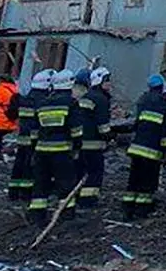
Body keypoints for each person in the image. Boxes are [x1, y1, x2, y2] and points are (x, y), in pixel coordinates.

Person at [121, 75, 166, 220]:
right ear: (162, 87)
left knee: (133, 179)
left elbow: (137, 124)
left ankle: (127, 208)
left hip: (136, 147)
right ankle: (142, 210)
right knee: (148, 182)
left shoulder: (143, 101)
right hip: (152, 152)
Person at [29, 70, 78, 222]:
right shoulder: (71, 103)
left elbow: (34, 131)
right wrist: (77, 148)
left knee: (41, 183)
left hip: (41, 151)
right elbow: (76, 130)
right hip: (62, 151)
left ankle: (37, 214)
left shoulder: (43, 103)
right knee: (65, 182)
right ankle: (66, 213)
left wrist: (34, 149)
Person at [73, 68, 111, 210]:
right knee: (94, 173)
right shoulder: (101, 99)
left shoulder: (86, 96)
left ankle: (76, 197)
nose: (109, 84)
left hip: (81, 143)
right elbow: (103, 126)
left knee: (80, 171)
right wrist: (110, 137)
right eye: (107, 81)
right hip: (94, 145)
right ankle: (88, 201)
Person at [7, 71, 46, 201]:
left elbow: (12, 115)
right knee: (31, 166)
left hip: (23, 137)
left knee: (19, 164)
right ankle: (26, 193)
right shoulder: (42, 100)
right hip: (35, 139)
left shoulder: (25, 99)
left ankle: (13, 192)